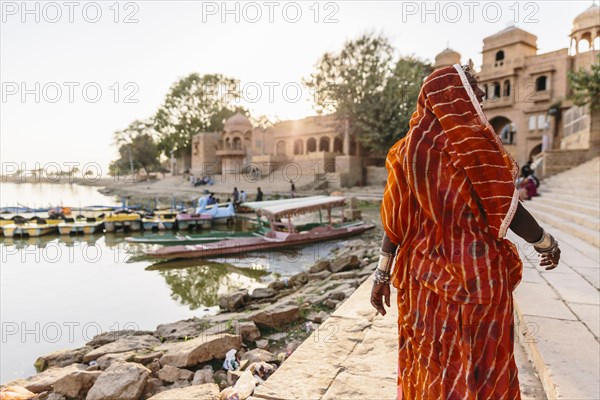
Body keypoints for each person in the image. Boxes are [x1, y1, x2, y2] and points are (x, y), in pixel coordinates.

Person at [371, 63, 561, 400]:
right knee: (481, 364)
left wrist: (381, 275)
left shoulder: (406, 151)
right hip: (476, 279)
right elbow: (507, 207)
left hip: (421, 282)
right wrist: (544, 242)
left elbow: (394, 221)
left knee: (429, 360)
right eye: (472, 85)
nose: (482, 94)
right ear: (451, 94)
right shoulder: (472, 144)